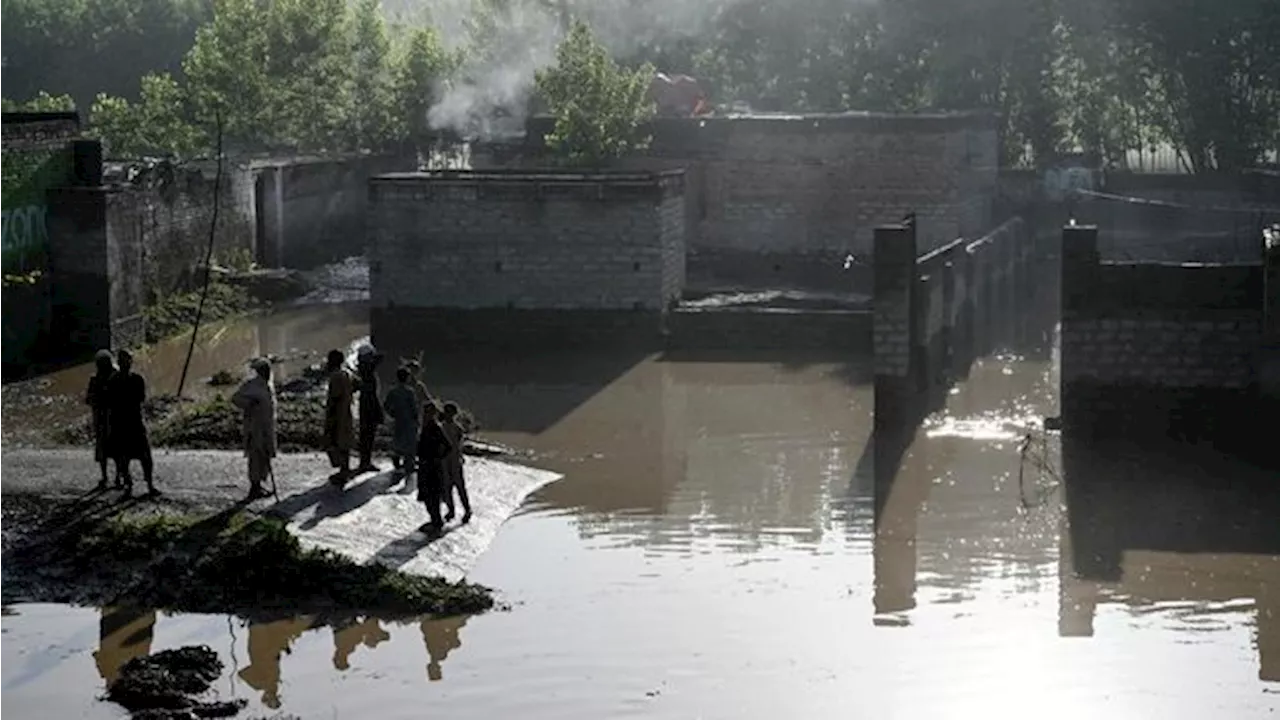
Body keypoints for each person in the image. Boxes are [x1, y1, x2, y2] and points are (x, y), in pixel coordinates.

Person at [108, 349, 157, 498]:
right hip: (125, 422)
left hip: (130, 421)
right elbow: (139, 399)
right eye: (123, 361)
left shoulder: (128, 379)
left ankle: (147, 484)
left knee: (144, 457)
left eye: (127, 360)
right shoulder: (131, 379)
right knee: (126, 457)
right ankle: (132, 484)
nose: (126, 363)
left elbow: (114, 401)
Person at [231, 358, 278, 501]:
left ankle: (259, 485)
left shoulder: (267, 385)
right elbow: (236, 398)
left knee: (265, 455)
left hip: (266, 426)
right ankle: (254, 488)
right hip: (255, 427)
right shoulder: (252, 385)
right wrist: (250, 403)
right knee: (256, 457)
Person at [416, 402, 454, 534]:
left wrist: (437, 458)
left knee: (432, 495)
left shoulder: (435, 428)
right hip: (425, 466)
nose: (425, 415)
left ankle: (436, 521)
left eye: (427, 413)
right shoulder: (426, 427)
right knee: (428, 495)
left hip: (431, 467)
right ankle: (434, 519)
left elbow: (448, 446)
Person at [323, 349, 356, 486]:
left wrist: (329, 415)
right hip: (347, 411)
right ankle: (345, 469)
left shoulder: (336, 377)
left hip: (338, 414)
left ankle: (343, 472)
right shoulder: (347, 374)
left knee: (336, 441)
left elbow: (334, 398)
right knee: (345, 442)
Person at [383, 366, 421, 483]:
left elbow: (386, 405)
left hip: (398, 420)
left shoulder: (392, 391)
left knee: (397, 440)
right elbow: (414, 408)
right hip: (409, 421)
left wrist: (393, 414)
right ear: (407, 378)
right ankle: (409, 466)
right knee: (410, 443)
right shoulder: (409, 392)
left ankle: (396, 461)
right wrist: (417, 419)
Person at [85, 350, 117, 490]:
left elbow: (88, 399)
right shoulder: (115, 377)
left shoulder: (95, 379)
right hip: (113, 417)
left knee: (104, 448)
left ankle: (105, 477)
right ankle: (117, 477)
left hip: (102, 418)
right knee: (116, 448)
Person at [354, 344, 385, 474]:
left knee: (366, 435)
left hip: (365, 405)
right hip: (369, 405)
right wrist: (378, 411)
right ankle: (365, 463)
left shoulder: (363, 369)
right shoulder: (367, 371)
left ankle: (365, 461)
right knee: (368, 435)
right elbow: (380, 358)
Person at [440, 402, 472, 524]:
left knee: (459, 487)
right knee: (447, 488)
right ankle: (451, 510)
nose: (449, 416)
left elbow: (459, 446)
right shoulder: (443, 428)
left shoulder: (456, 429)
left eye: (450, 413)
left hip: (453, 461)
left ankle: (467, 510)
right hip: (447, 460)